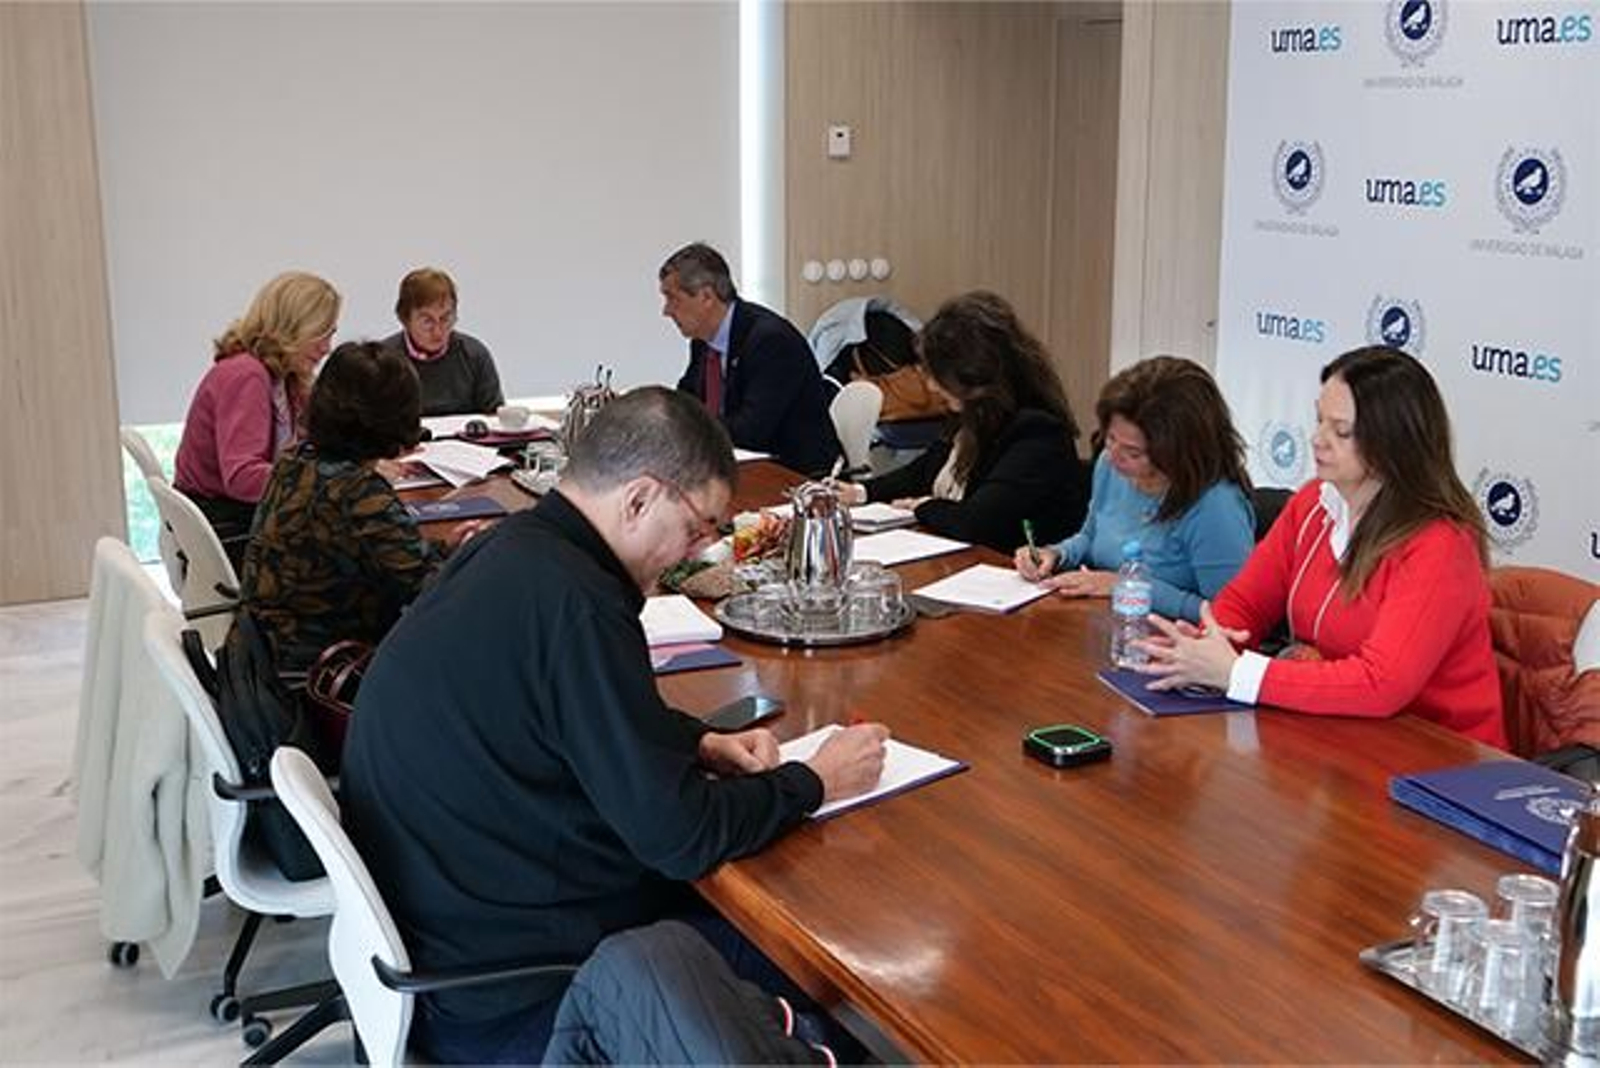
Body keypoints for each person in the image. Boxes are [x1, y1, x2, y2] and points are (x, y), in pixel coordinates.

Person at [341, 386, 889, 1064]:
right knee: (831, 963)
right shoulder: (579, 605)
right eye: (699, 527)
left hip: (451, 937)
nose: (696, 551)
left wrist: (697, 740)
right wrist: (814, 781)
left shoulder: (514, 550)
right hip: (524, 993)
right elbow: (680, 837)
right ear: (638, 499)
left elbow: (555, 710)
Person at [1137, 346, 1505, 747]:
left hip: (1437, 762)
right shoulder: (1313, 502)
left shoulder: (1440, 543)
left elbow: (1381, 683)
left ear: (1395, 443)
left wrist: (1236, 674)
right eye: (1319, 420)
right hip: (1339, 736)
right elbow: (1245, 604)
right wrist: (1203, 644)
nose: (1317, 440)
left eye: (1341, 431)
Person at [234, 341, 458, 681]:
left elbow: (397, 558)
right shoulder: (358, 494)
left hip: (262, 658)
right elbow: (434, 591)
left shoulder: (295, 461)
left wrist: (446, 550)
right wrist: (476, 555)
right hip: (325, 680)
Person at [837, 291, 1087, 553]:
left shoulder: (1037, 434)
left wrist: (924, 507)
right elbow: (926, 470)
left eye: (937, 376)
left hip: (1010, 571)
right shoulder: (973, 415)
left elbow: (978, 522)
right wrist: (860, 492)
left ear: (971, 376)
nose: (932, 387)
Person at [1013, 356, 1255, 623]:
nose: (1114, 455)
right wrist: (1056, 555)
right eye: (1111, 438)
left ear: (1178, 454)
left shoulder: (1215, 506)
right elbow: (1091, 537)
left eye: (1133, 452)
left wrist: (1128, 587)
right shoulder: (1110, 464)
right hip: (1104, 626)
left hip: (1171, 647)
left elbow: (1229, 618)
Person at [174, 271, 340, 568]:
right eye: (321, 333)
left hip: (235, 519)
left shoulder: (281, 375)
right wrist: (329, 480)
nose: (326, 348)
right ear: (293, 327)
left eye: (331, 334)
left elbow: (309, 442)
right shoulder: (246, 375)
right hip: (227, 529)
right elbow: (242, 477)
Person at [661, 242, 839, 475]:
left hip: (793, 474)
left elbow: (751, 431)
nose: (666, 311)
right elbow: (687, 401)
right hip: (736, 466)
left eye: (673, 299)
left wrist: (685, 426)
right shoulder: (703, 340)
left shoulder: (770, 341)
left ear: (706, 296)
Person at [380, 266, 504, 417]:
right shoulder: (383, 361)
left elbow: (495, 419)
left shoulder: (474, 355)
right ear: (405, 319)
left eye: (445, 319)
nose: (438, 331)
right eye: (427, 321)